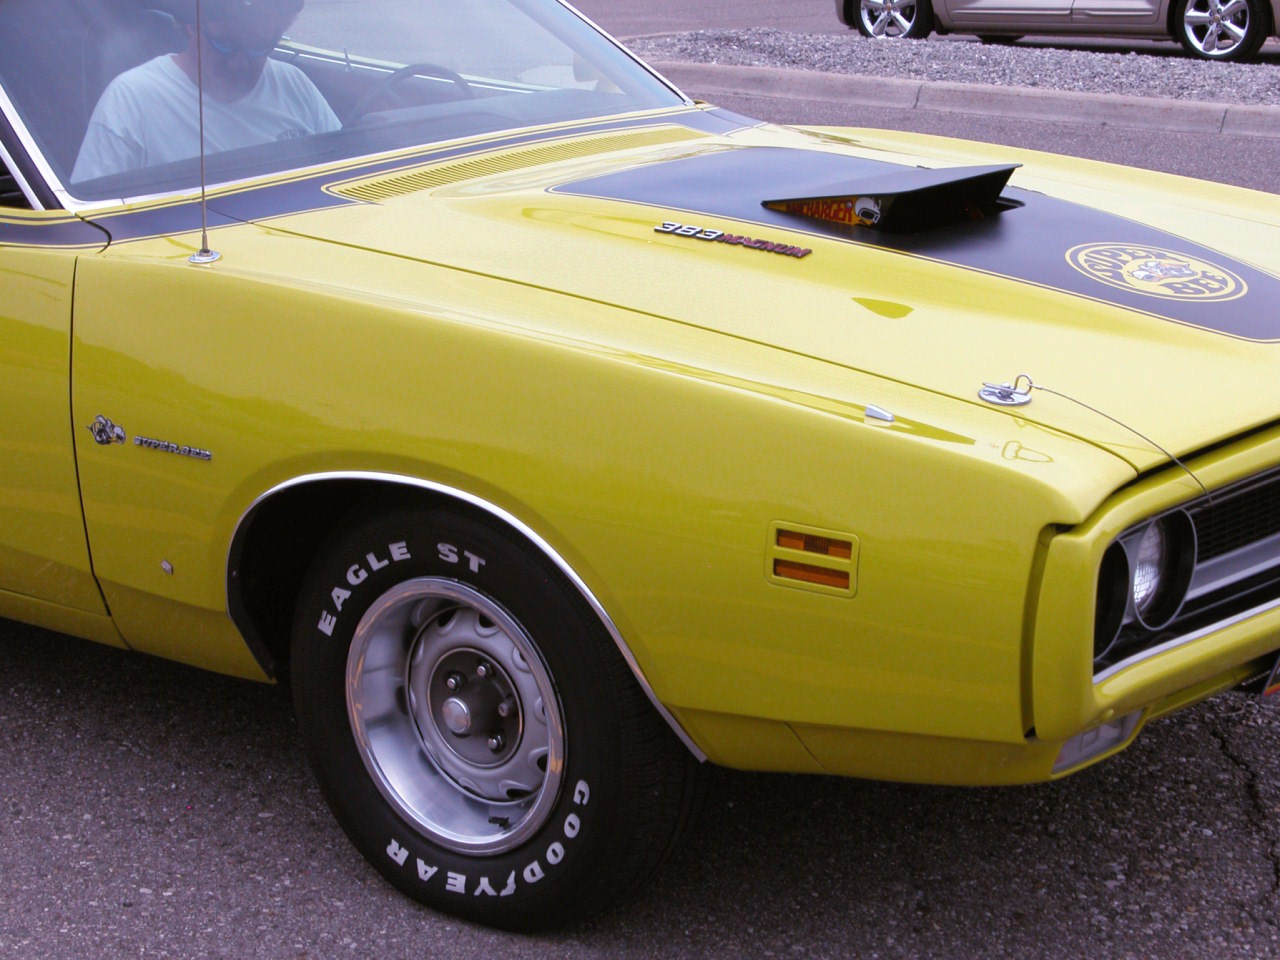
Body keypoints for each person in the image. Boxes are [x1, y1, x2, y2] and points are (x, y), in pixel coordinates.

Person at [73, 0, 339, 183]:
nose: (239, 62)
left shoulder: (293, 85)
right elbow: (88, 226)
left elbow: (341, 173)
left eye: (257, 46)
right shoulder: (131, 100)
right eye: (225, 43)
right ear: (192, 25)